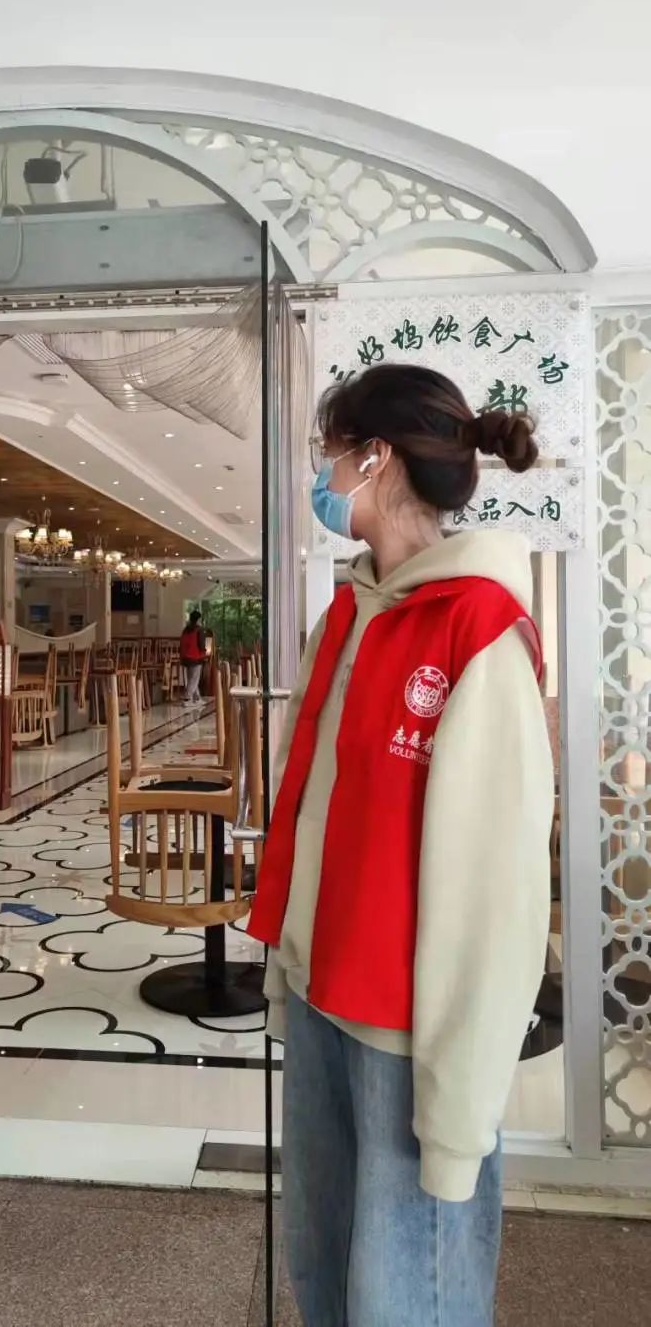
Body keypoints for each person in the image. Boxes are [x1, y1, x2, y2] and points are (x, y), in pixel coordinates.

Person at [247, 364, 553, 1327]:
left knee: (406, 1294)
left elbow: (493, 894)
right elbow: (312, 810)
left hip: (409, 1033)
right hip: (320, 996)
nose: (323, 475)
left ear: (373, 458)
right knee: (323, 1269)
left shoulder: (478, 630)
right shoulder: (346, 616)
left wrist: (458, 1108)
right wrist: (286, 969)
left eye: (330, 454)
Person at [179, 608, 207, 704]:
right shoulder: (199, 630)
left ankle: (197, 698)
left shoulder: (185, 630)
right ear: (198, 619)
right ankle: (187, 697)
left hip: (185, 658)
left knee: (192, 679)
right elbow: (201, 644)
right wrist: (204, 653)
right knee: (194, 679)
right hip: (196, 658)